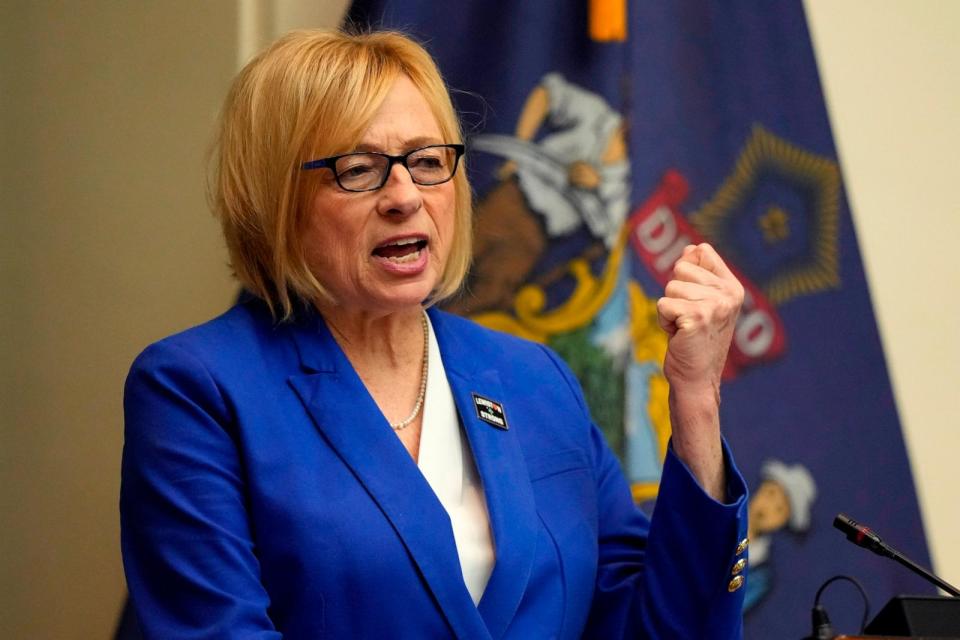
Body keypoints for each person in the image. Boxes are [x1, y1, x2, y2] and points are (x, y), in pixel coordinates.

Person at [120, 29, 749, 639]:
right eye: (359, 169)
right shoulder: (196, 389)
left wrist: (695, 398)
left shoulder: (535, 377)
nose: (404, 196)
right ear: (274, 199)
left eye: (426, 162)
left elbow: (660, 629)